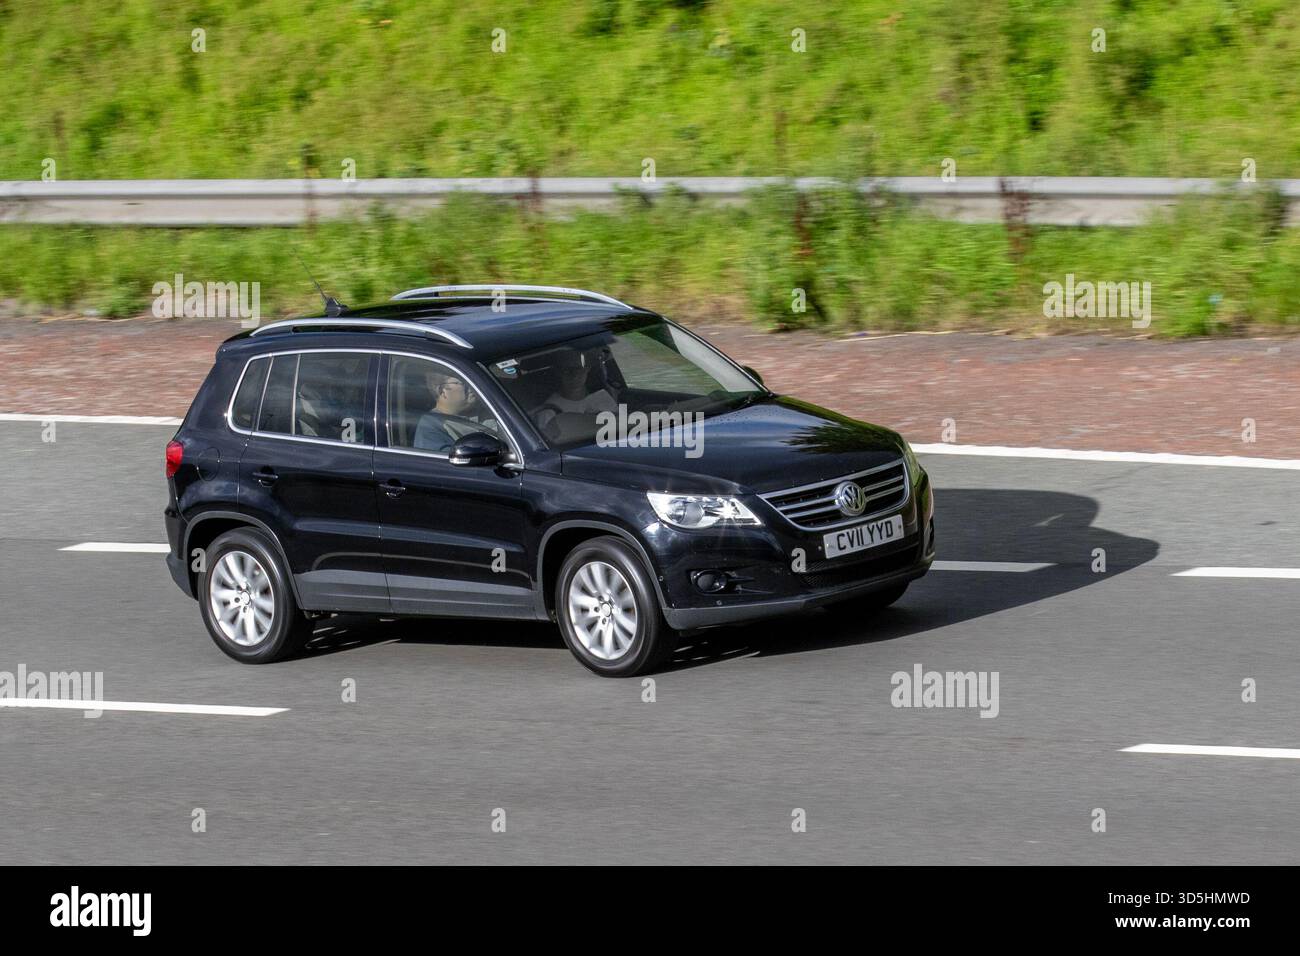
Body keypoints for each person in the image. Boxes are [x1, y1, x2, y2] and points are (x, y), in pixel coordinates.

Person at [534, 349, 617, 433]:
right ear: (558, 372)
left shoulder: (602, 398)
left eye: (578, 369)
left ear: (588, 368)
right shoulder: (548, 412)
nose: (574, 375)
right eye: (566, 370)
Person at [413, 372, 496, 453]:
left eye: (472, 380)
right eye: (463, 382)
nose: (472, 386)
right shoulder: (431, 426)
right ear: (442, 391)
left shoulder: (489, 406)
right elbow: (450, 462)